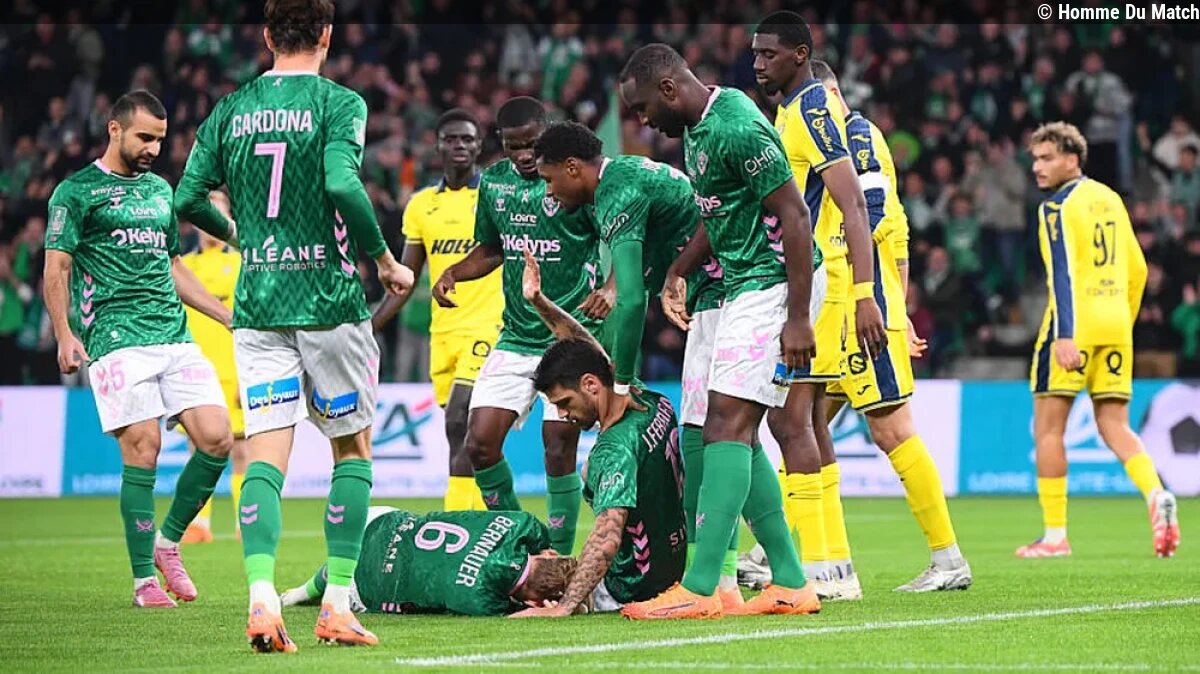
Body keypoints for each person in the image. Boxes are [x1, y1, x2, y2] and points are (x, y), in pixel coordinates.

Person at [174, 0, 415, 651]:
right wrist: (384, 260)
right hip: (328, 302)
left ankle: (261, 598)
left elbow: (187, 197)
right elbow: (342, 184)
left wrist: (242, 235)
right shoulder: (339, 103)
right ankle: (336, 604)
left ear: (266, 35)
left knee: (264, 456)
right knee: (351, 452)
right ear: (328, 36)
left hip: (258, 305)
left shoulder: (230, 109)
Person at [617, 43, 820, 619]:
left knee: (726, 425)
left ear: (669, 89)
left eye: (642, 108)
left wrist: (798, 316)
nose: (642, 121)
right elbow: (722, 211)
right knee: (733, 431)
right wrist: (679, 269)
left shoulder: (735, 126)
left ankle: (703, 587)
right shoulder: (699, 130)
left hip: (772, 283)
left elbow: (796, 214)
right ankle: (790, 581)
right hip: (742, 285)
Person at [767, 61, 973, 591]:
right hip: (837, 300)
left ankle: (947, 558)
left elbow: (875, 214)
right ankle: (810, 555)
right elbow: (898, 233)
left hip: (858, 302)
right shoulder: (820, 134)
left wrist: (888, 304)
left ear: (831, 93)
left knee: (888, 428)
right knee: (804, 423)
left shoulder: (855, 135)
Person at [531, 120, 743, 601]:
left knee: (721, 433)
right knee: (718, 433)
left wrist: (622, 385)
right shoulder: (625, 175)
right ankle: (729, 575)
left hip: (724, 291)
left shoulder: (615, 193)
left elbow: (630, 303)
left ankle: (720, 581)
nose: (548, 191)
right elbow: (636, 272)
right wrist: (609, 287)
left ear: (572, 167)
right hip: (718, 288)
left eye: (548, 179)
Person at [43, 90, 235, 608]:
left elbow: (172, 266)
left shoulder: (159, 190)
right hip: (115, 337)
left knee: (217, 438)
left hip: (173, 334)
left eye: (160, 140)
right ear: (115, 129)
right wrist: (64, 332)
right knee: (143, 447)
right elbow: (57, 267)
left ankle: (167, 543)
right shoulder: (76, 192)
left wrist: (223, 315)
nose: (153, 148)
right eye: (144, 137)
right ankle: (143, 581)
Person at [744, 10, 886, 599]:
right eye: (755, 53)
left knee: (789, 420)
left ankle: (819, 568)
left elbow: (852, 204)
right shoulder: (789, 110)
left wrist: (865, 293)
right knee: (803, 420)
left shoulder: (811, 110)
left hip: (808, 286)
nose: (758, 64)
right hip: (801, 280)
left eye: (769, 54)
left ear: (800, 55)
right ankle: (835, 566)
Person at [433, 96, 614, 557]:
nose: (523, 155)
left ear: (546, 134)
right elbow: (493, 249)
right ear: (501, 143)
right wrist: (454, 272)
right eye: (513, 146)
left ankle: (559, 556)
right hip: (515, 336)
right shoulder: (494, 183)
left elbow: (620, 236)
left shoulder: (574, 181)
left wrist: (611, 288)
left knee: (558, 448)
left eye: (531, 144)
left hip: (569, 337)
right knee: (479, 444)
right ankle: (525, 546)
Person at [1019, 121, 1179, 559]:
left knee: (1049, 430)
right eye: (1035, 159)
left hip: (1073, 328)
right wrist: (1122, 322)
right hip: (1115, 325)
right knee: (1115, 425)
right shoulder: (1110, 198)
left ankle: (1055, 536)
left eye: (1047, 158)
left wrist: (1066, 335)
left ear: (1072, 159)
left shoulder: (1056, 207)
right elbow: (1138, 270)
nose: (1037, 167)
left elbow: (1063, 274)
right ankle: (1156, 493)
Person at [510, 250, 693, 617]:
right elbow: (584, 348)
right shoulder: (641, 396)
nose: (563, 414)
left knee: (521, 579)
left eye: (564, 402)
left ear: (591, 385)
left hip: (630, 586)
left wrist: (564, 606)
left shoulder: (613, 449)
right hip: (672, 565)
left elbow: (606, 538)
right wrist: (539, 303)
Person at [372, 108, 501, 513]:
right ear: (438, 146)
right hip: (442, 333)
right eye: (452, 139)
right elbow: (406, 278)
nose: (460, 145)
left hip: (488, 326)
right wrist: (370, 325)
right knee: (464, 436)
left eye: (468, 139)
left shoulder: (493, 196)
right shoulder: (420, 205)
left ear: (479, 146)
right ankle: (484, 515)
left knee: (459, 419)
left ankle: (456, 519)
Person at [280, 507, 577, 616]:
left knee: (399, 542)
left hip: (380, 518)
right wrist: (545, 606)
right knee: (365, 578)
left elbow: (539, 549)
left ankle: (303, 591)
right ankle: (309, 589)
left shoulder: (524, 524)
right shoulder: (482, 600)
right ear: (534, 601)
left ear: (549, 555)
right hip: (369, 584)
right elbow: (517, 611)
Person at [179, 191, 248, 544]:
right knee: (198, 447)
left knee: (241, 449)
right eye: (205, 218)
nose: (210, 226)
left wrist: (250, 372)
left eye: (217, 217)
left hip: (235, 369)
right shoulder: (183, 266)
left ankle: (244, 521)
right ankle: (199, 524)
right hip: (196, 370)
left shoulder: (243, 263)